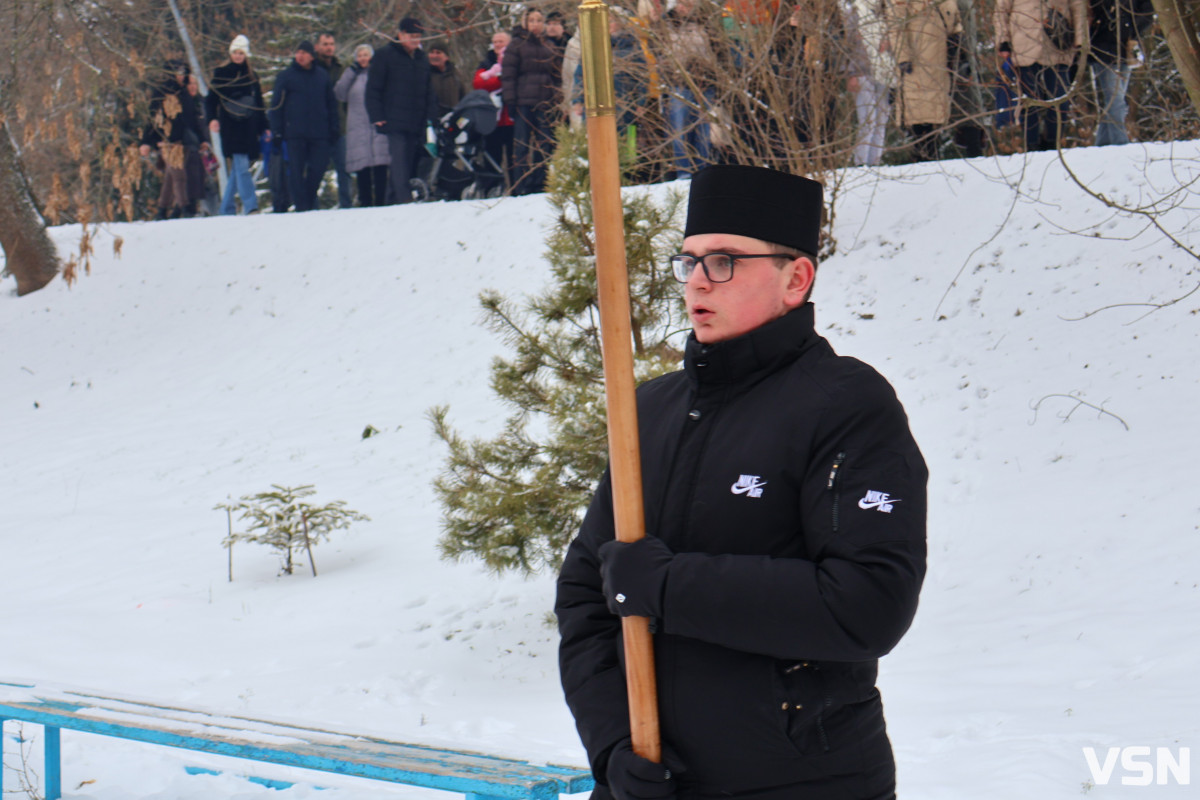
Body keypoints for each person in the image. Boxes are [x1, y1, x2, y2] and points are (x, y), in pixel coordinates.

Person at [556, 164, 928, 800]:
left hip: (802, 780)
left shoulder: (845, 406)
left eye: (725, 261)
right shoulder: (647, 411)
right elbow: (588, 597)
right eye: (691, 260)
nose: (698, 280)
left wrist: (669, 587)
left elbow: (867, 605)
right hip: (654, 782)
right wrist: (614, 747)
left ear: (796, 278)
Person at [994, 0, 1087, 152]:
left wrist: (1080, 39)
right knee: (1029, 100)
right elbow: (1001, 10)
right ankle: (1031, 145)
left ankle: (1052, 143)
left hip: (1058, 41)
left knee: (1060, 100)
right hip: (1023, 42)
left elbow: (1078, 7)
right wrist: (1003, 41)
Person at [366, 17, 438, 205]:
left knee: (408, 159)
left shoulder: (422, 59)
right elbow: (373, 88)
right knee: (399, 159)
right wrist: (377, 115)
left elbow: (428, 90)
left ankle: (391, 200)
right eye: (411, 36)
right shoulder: (385, 55)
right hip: (393, 117)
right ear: (400, 34)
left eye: (418, 36)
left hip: (416, 118)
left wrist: (431, 116)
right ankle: (404, 198)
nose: (415, 40)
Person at [269, 40, 339, 211]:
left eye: (304, 53)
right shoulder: (286, 76)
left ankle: (308, 199)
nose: (300, 56)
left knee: (318, 169)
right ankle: (302, 206)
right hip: (295, 132)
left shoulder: (322, 76)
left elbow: (331, 104)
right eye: (298, 52)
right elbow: (276, 106)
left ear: (311, 56)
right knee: (296, 171)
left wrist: (334, 127)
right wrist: (277, 131)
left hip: (320, 132)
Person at [502, 7, 565, 195]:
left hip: (545, 102)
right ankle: (519, 184)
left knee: (544, 143)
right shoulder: (516, 45)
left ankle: (540, 182)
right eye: (532, 20)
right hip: (523, 101)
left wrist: (557, 99)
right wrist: (510, 101)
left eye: (539, 20)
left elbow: (557, 76)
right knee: (521, 144)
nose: (535, 24)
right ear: (525, 23)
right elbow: (508, 76)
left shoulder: (549, 46)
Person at [206, 34, 269, 215]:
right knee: (241, 166)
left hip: (248, 126)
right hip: (230, 126)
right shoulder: (222, 74)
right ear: (231, 53)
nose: (238, 56)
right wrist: (212, 119)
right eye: (235, 52)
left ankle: (226, 208)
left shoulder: (252, 77)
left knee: (238, 169)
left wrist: (264, 127)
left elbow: (259, 104)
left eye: (241, 53)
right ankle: (251, 206)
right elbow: (211, 100)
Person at [140, 60, 206, 219]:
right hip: (167, 141)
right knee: (179, 175)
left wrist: (201, 139)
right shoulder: (161, 92)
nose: (181, 76)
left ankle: (162, 210)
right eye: (178, 73)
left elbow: (192, 120)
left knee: (171, 177)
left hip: (183, 141)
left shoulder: (184, 94)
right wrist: (147, 141)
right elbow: (152, 119)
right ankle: (185, 208)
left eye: (183, 73)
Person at [660, 0, 718, 179]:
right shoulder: (666, 24)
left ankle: (704, 172)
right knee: (680, 131)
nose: (686, 7)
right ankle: (684, 172)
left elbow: (717, 50)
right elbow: (661, 56)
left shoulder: (706, 22)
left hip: (705, 82)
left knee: (704, 132)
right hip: (679, 84)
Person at [1088, 0, 1155, 146]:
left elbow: (1147, 12)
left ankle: (1102, 143)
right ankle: (1121, 142)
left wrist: (1131, 28)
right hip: (1102, 48)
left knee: (1115, 100)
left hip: (1127, 48)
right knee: (1115, 99)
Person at [335, 44, 392, 207]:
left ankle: (381, 202)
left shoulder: (378, 74)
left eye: (366, 55)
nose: (363, 58)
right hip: (358, 127)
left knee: (381, 165)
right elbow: (340, 93)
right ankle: (365, 202)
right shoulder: (351, 75)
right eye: (359, 55)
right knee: (362, 168)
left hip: (377, 123)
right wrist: (351, 72)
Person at [846, 0, 894, 165]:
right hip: (862, 72)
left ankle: (875, 162)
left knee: (881, 120)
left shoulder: (888, 12)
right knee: (867, 121)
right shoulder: (855, 13)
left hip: (884, 72)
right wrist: (851, 73)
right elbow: (848, 45)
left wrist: (889, 41)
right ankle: (861, 163)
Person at [474, 31, 516, 192]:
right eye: (495, 41)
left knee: (514, 157)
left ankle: (516, 187)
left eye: (502, 42)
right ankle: (491, 189)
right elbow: (478, 83)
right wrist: (500, 80)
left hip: (511, 117)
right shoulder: (486, 61)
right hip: (492, 120)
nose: (498, 45)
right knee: (491, 156)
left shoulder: (514, 60)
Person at [316, 32, 354, 208]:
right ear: (318, 46)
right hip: (318, 128)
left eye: (331, 44)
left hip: (340, 126)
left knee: (344, 169)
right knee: (316, 170)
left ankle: (346, 205)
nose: (329, 47)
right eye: (325, 44)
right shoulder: (313, 69)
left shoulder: (341, 68)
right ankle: (312, 207)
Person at [428, 41, 466, 116]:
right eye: (432, 52)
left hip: (452, 119)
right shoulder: (425, 74)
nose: (434, 56)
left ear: (446, 57)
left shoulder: (455, 76)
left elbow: (464, 99)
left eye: (438, 53)